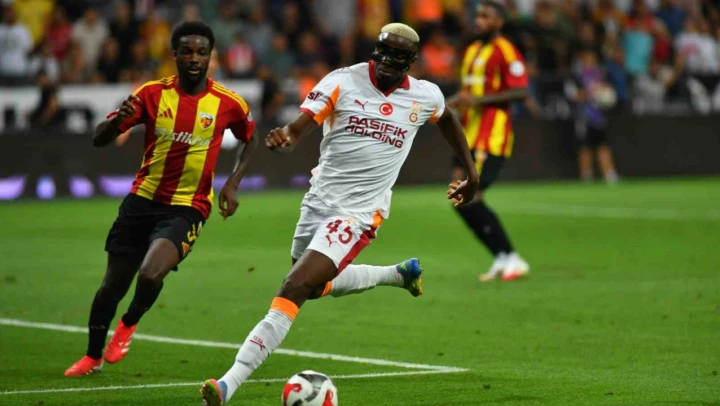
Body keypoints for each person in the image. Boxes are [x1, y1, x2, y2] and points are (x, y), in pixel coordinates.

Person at [200, 23, 479, 405]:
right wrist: (288, 135)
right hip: (319, 201)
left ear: (411, 61)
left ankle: (227, 384)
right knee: (312, 286)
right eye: (383, 51)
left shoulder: (425, 94)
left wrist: (471, 173)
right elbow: (301, 125)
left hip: (360, 214)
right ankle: (398, 274)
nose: (387, 61)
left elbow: (446, 118)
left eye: (398, 56)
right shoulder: (342, 81)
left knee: (294, 286)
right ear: (375, 50)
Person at [64, 21, 258, 377]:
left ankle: (129, 323)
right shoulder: (151, 94)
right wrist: (115, 123)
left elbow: (250, 138)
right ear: (175, 55)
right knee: (111, 287)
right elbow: (99, 138)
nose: (194, 58)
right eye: (187, 51)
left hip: (188, 206)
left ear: (210, 56)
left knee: (151, 274)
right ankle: (92, 357)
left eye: (201, 52)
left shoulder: (228, 103)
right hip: (141, 201)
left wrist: (232, 183)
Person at [446, 0, 531, 283]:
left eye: (485, 16)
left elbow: (521, 91)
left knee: (472, 195)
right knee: (458, 197)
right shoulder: (472, 50)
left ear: (499, 22)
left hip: (491, 135)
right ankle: (501, 257)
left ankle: (512, 256)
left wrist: (479, 100)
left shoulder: (506, 50)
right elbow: (469, 93)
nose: (478, 20)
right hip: (468, 134)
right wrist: (452, 104)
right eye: (478, 15)